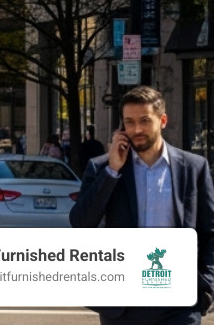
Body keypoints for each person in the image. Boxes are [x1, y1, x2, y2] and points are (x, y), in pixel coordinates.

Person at [70, 85, 214, 325]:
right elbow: (81, 223)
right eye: (129, 122)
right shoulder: (102, 168)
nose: (137, 129)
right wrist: (112, 171)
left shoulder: (193, 167)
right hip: (123, 304)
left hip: (178, 304)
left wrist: (206, 285)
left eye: (145, 121)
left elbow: (210, 232)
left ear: (163, 120)